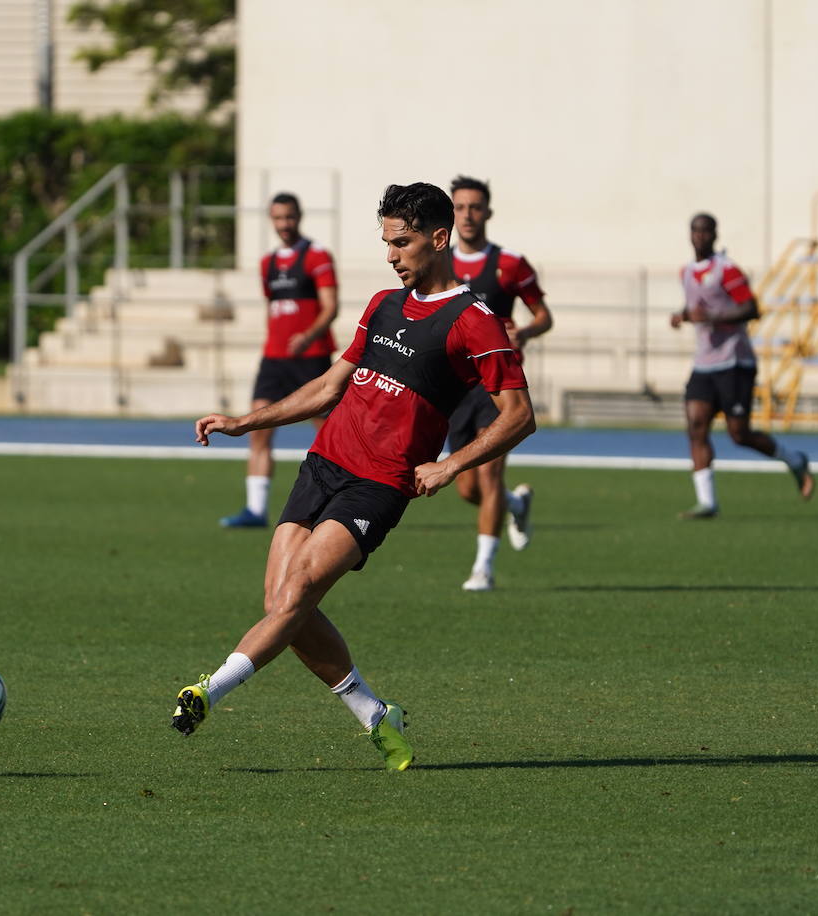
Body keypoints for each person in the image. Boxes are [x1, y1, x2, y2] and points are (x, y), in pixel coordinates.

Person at [175, 182, 536, 770]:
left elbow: (520, 415)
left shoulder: (475, 321)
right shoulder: (382, 304)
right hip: (323, 463)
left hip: (380, 485)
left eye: (402, 242)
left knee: (296, 593)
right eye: (387, 242)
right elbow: (328, 387)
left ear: (438, 239)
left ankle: (208, 691)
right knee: (280, 602)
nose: (391, 255)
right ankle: (374, 714)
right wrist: (245, 422)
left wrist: (451, 464)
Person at [670, 212, 814, 518]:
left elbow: (751, 308)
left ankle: (794, 460)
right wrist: (682, 316)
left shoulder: (727, 270)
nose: (699, 236)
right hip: (704, 363)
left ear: (715, 235)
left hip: (734, 362)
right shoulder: (686, 272)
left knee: (739, 434)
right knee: (696, 427)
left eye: (705, 231)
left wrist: (711, 318)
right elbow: (697, 307)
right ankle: (708, 502)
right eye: (695, 231)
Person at [446, 176, 553, 592]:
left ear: (488, 212)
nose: (468, 215)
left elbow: (543, 316)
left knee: (489, 475)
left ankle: (482, 569)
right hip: (457, 385)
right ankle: (515, 503)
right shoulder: (440, 264)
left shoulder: (509, 264)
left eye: (475, 207)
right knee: (467, 486)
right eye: (460, 207)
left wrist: (523, 333)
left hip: (498, 382)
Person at [219, 192, 339, 528]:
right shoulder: (267, 263)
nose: (284, 224)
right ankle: (256, 509)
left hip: (311, 357)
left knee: (328, 434)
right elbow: (274, 308)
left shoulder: (317, 256)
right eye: (278, 218)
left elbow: (330, 307)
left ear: (299, 217)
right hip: (274, 359)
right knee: (258, 428)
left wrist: (308, 336)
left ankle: (334, 502)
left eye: (289, 217)